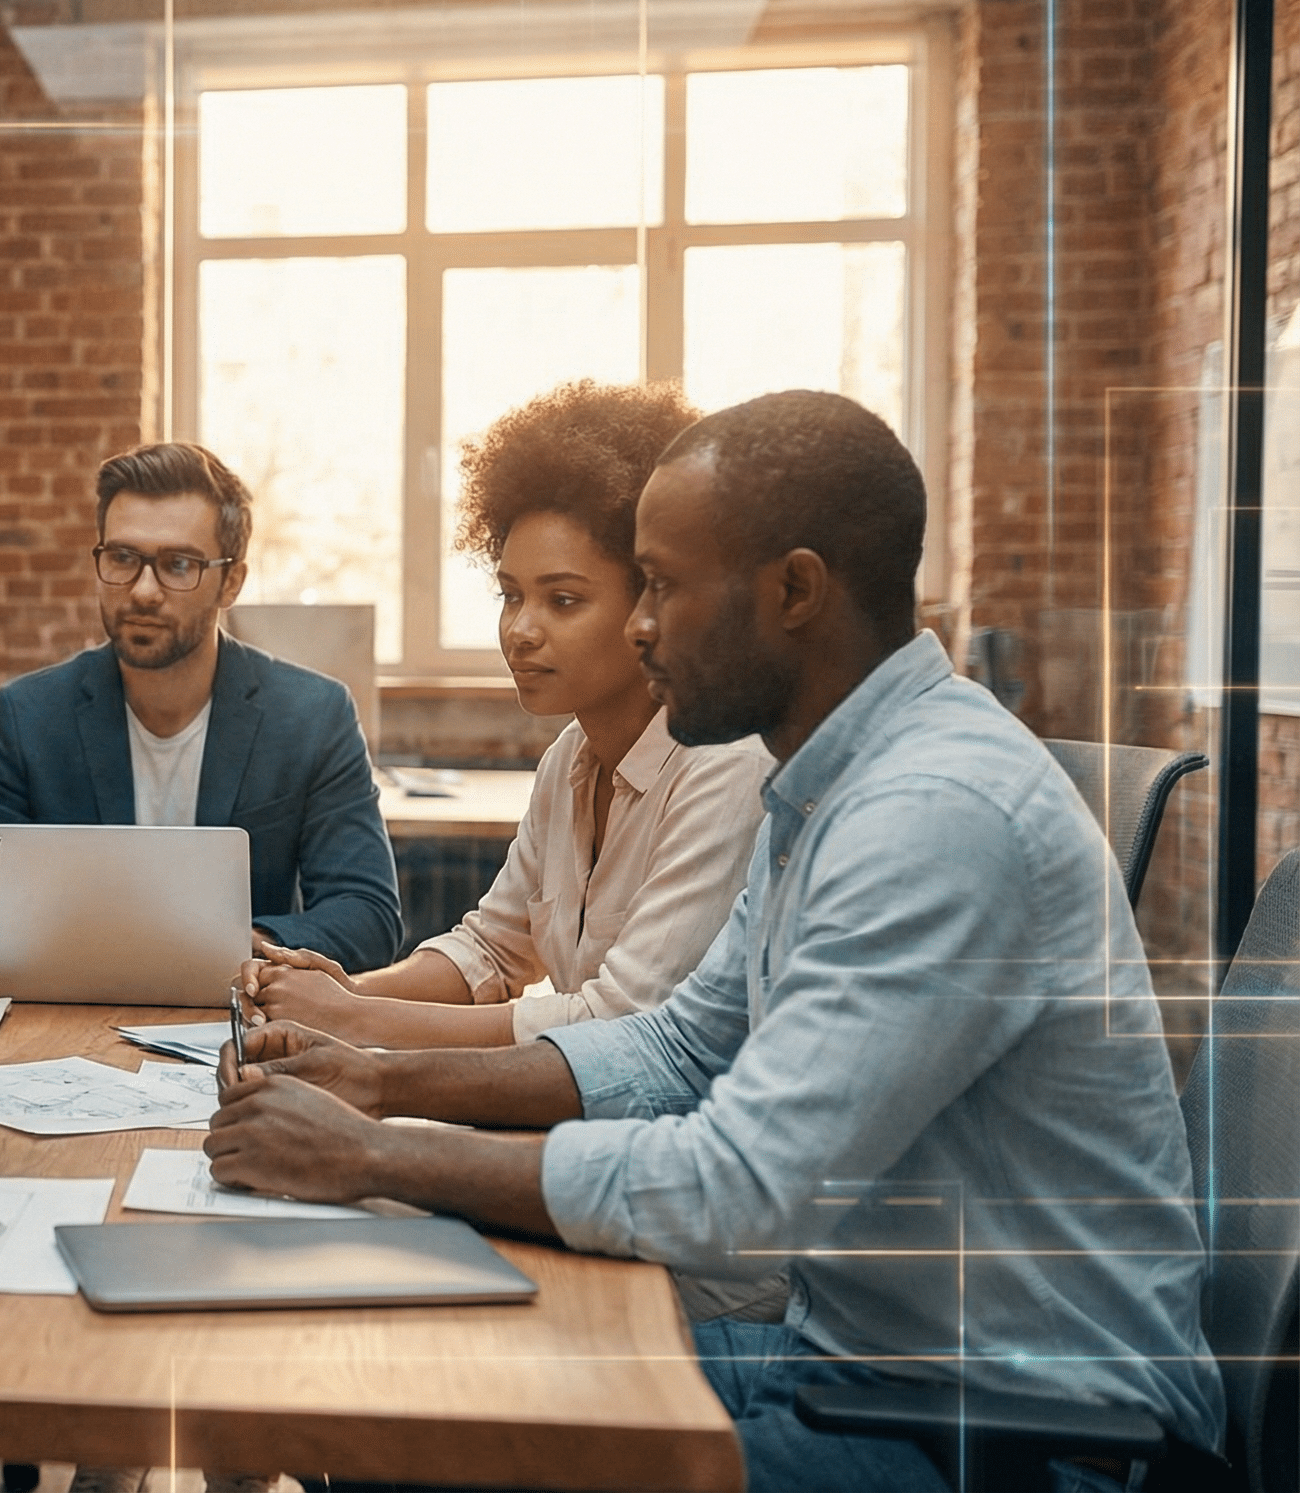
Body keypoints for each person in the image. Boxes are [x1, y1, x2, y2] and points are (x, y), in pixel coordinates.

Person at [205, 391, 1223, 1493]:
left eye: (667, 587)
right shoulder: (826, 784)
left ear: (793, 590)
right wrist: (370, 1075)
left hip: (1011, 1430)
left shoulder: (932, 812)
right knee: (380, 1389)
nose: (642, 627)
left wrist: (373, 1149)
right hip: (849, 1365)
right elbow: (675, 1051)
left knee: (399, 1437)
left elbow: (733, 1185)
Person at [246, 380, 772, 1050]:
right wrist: (348, 989)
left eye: (563, 600)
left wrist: (354, 1019)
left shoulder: (725, 764)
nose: (520, 630)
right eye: (510, 595)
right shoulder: (572, 757)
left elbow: (622, 1024)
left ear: (656, 602)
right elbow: (491, 948)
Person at [0, 442, 401, 969]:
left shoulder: (312, 716)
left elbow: (368, 913)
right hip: (69, 1010)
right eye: (122, 558)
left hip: (236, 1012)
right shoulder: (27, 717)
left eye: (178, 564)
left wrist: (234, 947)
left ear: (231, 581)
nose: (144, 591)